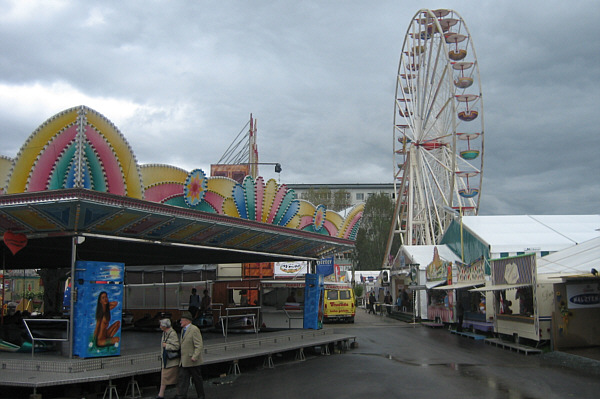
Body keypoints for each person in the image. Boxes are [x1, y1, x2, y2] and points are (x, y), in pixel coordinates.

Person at [175, 311, 205, 399]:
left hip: (192, 359)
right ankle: (182, 395)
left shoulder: (194, 329)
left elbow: (199, 344)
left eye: (182, 320)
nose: (180, 322)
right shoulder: (183, 330)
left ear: (187, 321)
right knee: (183, 377)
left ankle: (201, 395)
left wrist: (195, 356)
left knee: (197, 378)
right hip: (184, 359)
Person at [158, 318, 179, 399]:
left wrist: (166, 346)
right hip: (166, 360)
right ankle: (178, 393)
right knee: (168, 378)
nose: (160, 327)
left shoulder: (172, 334)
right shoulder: (165, 333)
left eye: (161, 325)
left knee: (167, 378)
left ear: (164, 326)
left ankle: (161, 395)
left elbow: (176, 346)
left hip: (171, 361)